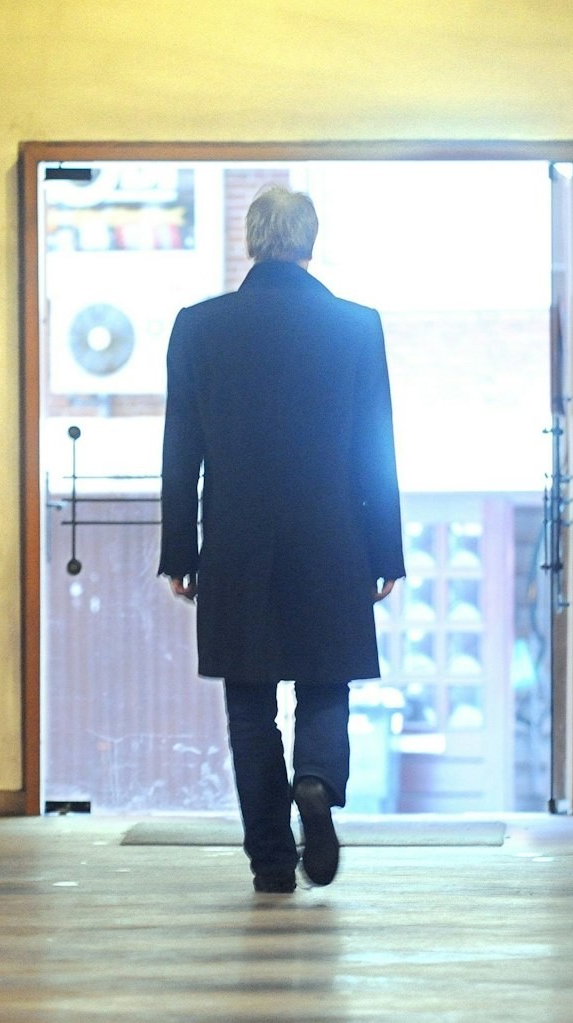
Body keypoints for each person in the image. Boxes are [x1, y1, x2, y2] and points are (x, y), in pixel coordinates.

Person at [157, 185, 404, 895]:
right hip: (335, 536)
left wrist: (180, 550)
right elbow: (374, 446)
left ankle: (270, 859)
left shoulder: (200, 327)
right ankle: (318, 781)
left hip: (236, 539)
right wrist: (386, 551)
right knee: (326, 682)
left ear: (250, 242)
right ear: (311, 241)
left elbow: (182, 450)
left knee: (249, 701)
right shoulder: (356, 325)